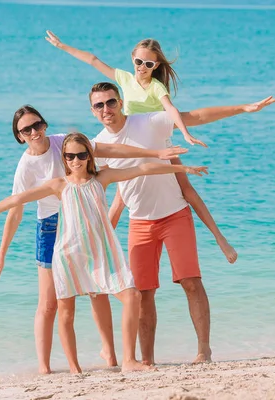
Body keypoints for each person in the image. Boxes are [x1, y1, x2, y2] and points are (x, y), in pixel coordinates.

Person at [0, 132, 208, 373]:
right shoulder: (58, 185)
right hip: (69, 256)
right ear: (64, 158)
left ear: (89, 156)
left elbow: (143, 169)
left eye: (81, 155)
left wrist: (182, 169)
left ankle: (129, 360)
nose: (75, 161)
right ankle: (74, 368)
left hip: (102, 254)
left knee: (132, 296)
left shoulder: (103, 178)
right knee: (66, 313)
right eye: (69, 156)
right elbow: (17, 200)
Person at [45, 31, 275, 263]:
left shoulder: (156, 87)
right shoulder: (125, 80)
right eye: (138, 61)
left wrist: (241, 109)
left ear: (155, 65)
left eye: (148, 63)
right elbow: (94, 60)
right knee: (120, 198)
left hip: (159, 141)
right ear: (132, 59)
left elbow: (188, 115)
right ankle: (100, 252)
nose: (142, 67)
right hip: (132, 144)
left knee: (186, 191)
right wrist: (63, 46)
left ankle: (220, 238)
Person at [87, 81, 256, 365]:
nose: (106, 109)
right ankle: (147, 361)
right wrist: (100, 244)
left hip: (175, 215)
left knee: (191, 282)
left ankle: (204, 351)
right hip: (139, 223)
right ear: (92, 110)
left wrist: (241, 108)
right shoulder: (99, 147)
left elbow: (196, 117)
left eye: (111, 102)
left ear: (122, 102)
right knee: (142, 294)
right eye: (99, 105)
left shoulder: (149, 123)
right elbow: (118, 195)